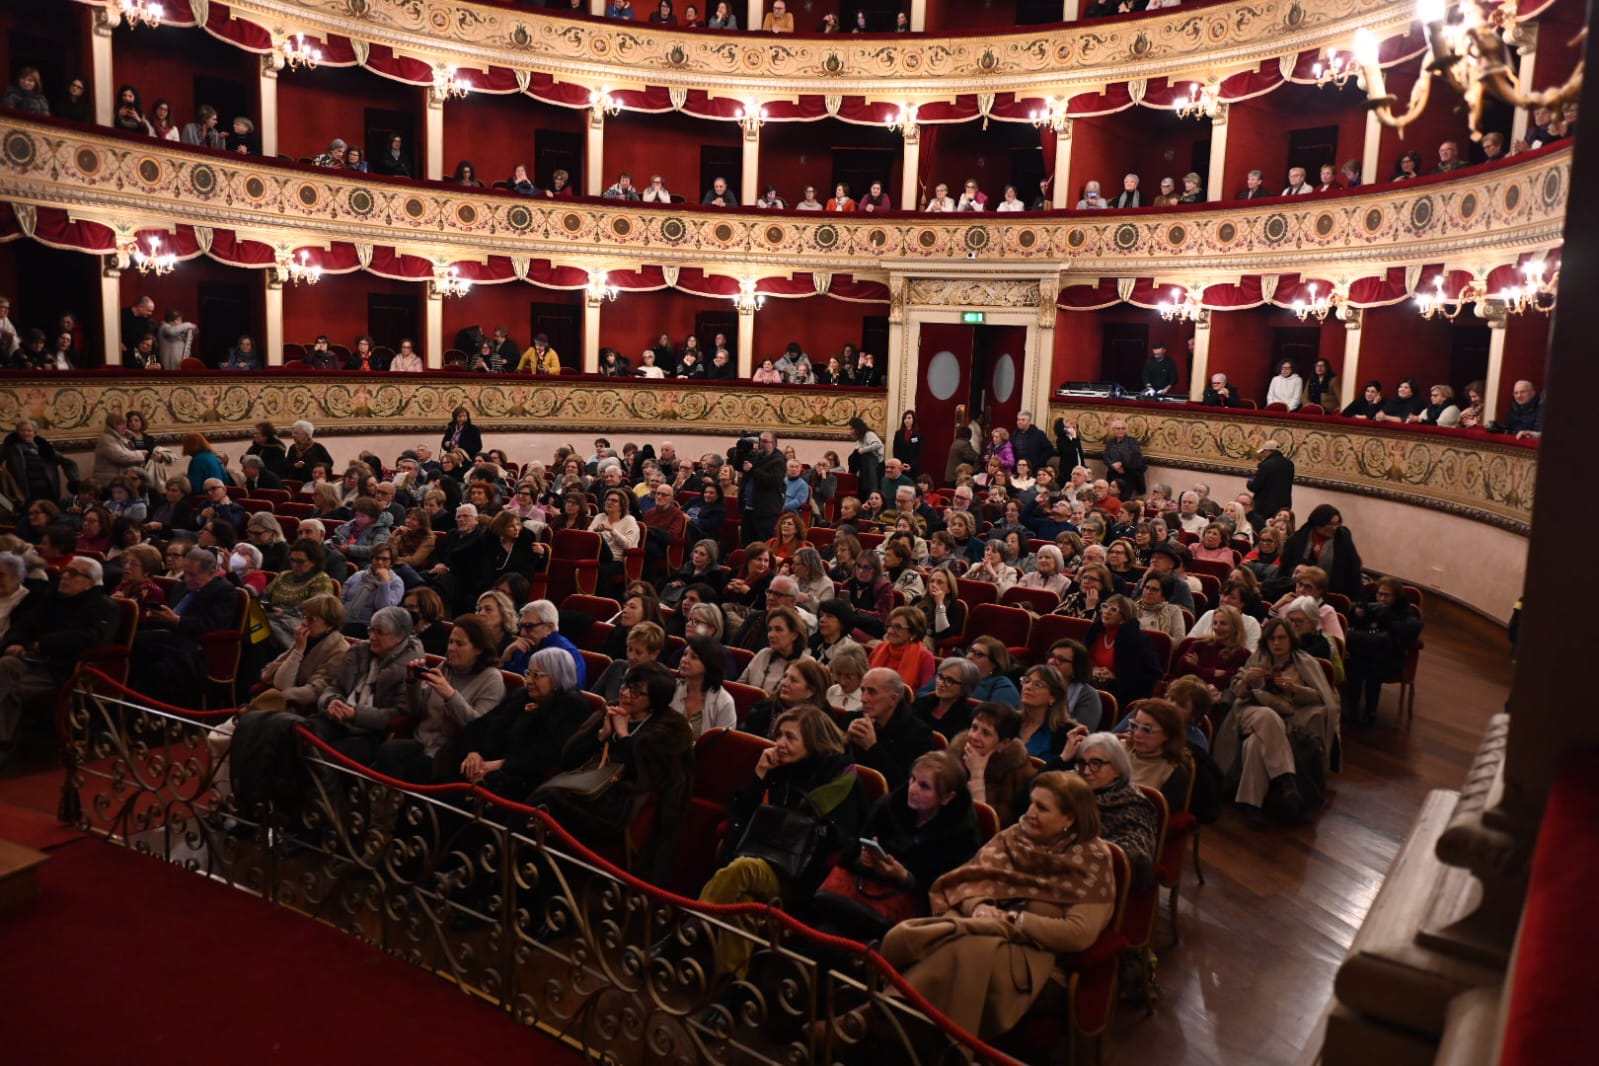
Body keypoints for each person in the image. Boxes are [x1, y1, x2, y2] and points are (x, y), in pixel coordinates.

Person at [877, 772, 1115, 1041]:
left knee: (964, 949)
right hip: (979, 926)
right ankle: (900, 1028)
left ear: (1069, 819)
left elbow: (1078, 933)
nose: (1030, 813)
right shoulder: (1014, 836)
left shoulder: (1092, 860)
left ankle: (883, 1018)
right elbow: (967, 881)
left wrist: (1011, 919)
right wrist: (979, 907)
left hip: (1035, 957)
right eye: (1031, 803)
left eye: (1042, 808)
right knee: (951, 944)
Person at [537, 660, 694, 882]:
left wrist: (623, 736)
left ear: (655, 700)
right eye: (625, 685)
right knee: (543, 802)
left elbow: (645, 778)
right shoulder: (611, 710)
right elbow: (569, 760)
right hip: (586, 786)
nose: (626, 694)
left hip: (621, 801)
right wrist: (601, 735)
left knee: (551, 804)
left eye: (636, 692)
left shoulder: (670, 730)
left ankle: (550, 881)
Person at [815, 750, 981, 942]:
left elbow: (947, 893)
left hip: (909, 916)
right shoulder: (889, 807)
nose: (912, 789)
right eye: (913, 779)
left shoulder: (961, 836)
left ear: (947, 798)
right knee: (827, 931)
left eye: (924, 786)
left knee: (835, 937)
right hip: (861, 893)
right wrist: (863, 860)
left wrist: (905, 878)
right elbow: (852, 850)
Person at [1217, 618, 1340, 827]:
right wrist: (1246, 681)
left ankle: (1251, 806)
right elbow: (1235, 690)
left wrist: (1293, 689)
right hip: (1250, 712)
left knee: (1255, 744)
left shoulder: (1305, 663)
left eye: (1281, 638)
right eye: (1272, 638)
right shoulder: (1257, 659)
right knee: (1266, 715)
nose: (1276, 643)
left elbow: (1320, 697)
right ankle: (1287, 780)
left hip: (1287, 719)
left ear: (1291, 639)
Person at [0, 557, 119, 765]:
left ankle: (3, 742)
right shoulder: (53, 598)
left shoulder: (104, 607)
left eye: (73, 574)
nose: (65, 577)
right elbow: (26, 623)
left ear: (89, 582)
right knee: (5, 664)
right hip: (33, 658)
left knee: (14, 689)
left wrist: (44, 644)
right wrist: (16, 641)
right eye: (65, 571)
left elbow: (92, 639)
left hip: (62, 666)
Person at [440, 646, 592, 800]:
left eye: (537, 675)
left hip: (523, 775)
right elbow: (484, 724)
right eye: (528, 673)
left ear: (558, 677)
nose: (529, 681)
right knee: (448, 758)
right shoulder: (522, 695)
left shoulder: (572, 707)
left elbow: (546, 755)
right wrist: (475, 753)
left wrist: (495, 765)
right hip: (491, 762)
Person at [250, 594, 351, 715]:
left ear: (330, 624)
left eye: (311, 619)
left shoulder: (340, 651)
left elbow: (314, 691)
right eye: (303, 616)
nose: (303, 623)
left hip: (303, 709)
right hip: (284, 698)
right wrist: (298, 650)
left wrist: (279, 697)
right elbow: (279, 682)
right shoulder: (306, 639)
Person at [1343, 577, 1423, 727]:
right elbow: (1350, 620)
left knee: (1373, 668)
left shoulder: (1404, 609)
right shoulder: (1369, 602)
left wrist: (1387, 620)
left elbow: (1412, 628)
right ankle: (1353, 708)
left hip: (1390, 656)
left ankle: (1370, 712)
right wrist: (1357, 612)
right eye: (1380, 594)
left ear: (1396, 597)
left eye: (1387, 595)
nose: (1382, 598)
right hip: (1365, 650)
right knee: (1353, 663)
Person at [847, 668, 937, 790]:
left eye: (872, 692)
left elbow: (904, 785)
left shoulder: (919, 734)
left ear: (893, 699)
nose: (863, 698)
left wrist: (872, 747)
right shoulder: (855, 720)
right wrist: (845, 740)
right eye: (863, 690)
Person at [950, 702, 1035, 827]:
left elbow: (992, 826)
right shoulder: (956, 754)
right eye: (974, 727)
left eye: (986, 733)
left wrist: (977, 776)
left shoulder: (1017, 772)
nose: (974, 736)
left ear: (1004, 743)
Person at [1083, 594, 1163, 715]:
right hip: (1089, 682)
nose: (1106, 611)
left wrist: (1116, 676)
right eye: (1105, 606)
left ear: (1124, 618)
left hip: (1121, 692)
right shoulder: (1094, 631)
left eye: (1113, 609)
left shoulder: (1138, 641)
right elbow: (1081, 656)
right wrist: (1092, 668)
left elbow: (1152, 675)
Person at [1121, 698, 1195, 814]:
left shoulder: (1174, 771)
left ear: (1167, 734)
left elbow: (1159, 817)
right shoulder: (1117, 748)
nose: (1137, 734)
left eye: (1147, 730)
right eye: (1134, 725)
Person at [1281, 504, 1363, 601]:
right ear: (1318, 523)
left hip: (1331, 594)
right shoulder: (1298, 538)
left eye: (1337, 524)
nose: (1334, 528)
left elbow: (1354, 569)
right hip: (1299, 593)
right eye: (1330, 524)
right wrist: (1297, 570)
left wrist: (1357, 600)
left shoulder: (1342, 539)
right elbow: (1285, 567)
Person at [673, 634, 737, 736]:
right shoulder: (672, 688)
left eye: (694, 657)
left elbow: (722, 742)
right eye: (685, 654)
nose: (685, 660)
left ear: (709, 663)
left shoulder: (724, 702)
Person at [870, 605, 936, 691]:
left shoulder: (925, 657)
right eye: (889, 626)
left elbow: (924, 694)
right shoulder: (879, 648)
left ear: (914, 633)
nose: (890, 631)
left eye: (898, 627)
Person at [1247, 439, 1295, 519]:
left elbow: (1254, 486)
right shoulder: (1290, 465)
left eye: (1263, 452)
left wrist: (1250, 480)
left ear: (1268, 451)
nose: (1263, 455)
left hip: (1265, 508)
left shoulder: (1266, 465)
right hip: (1283, 507)